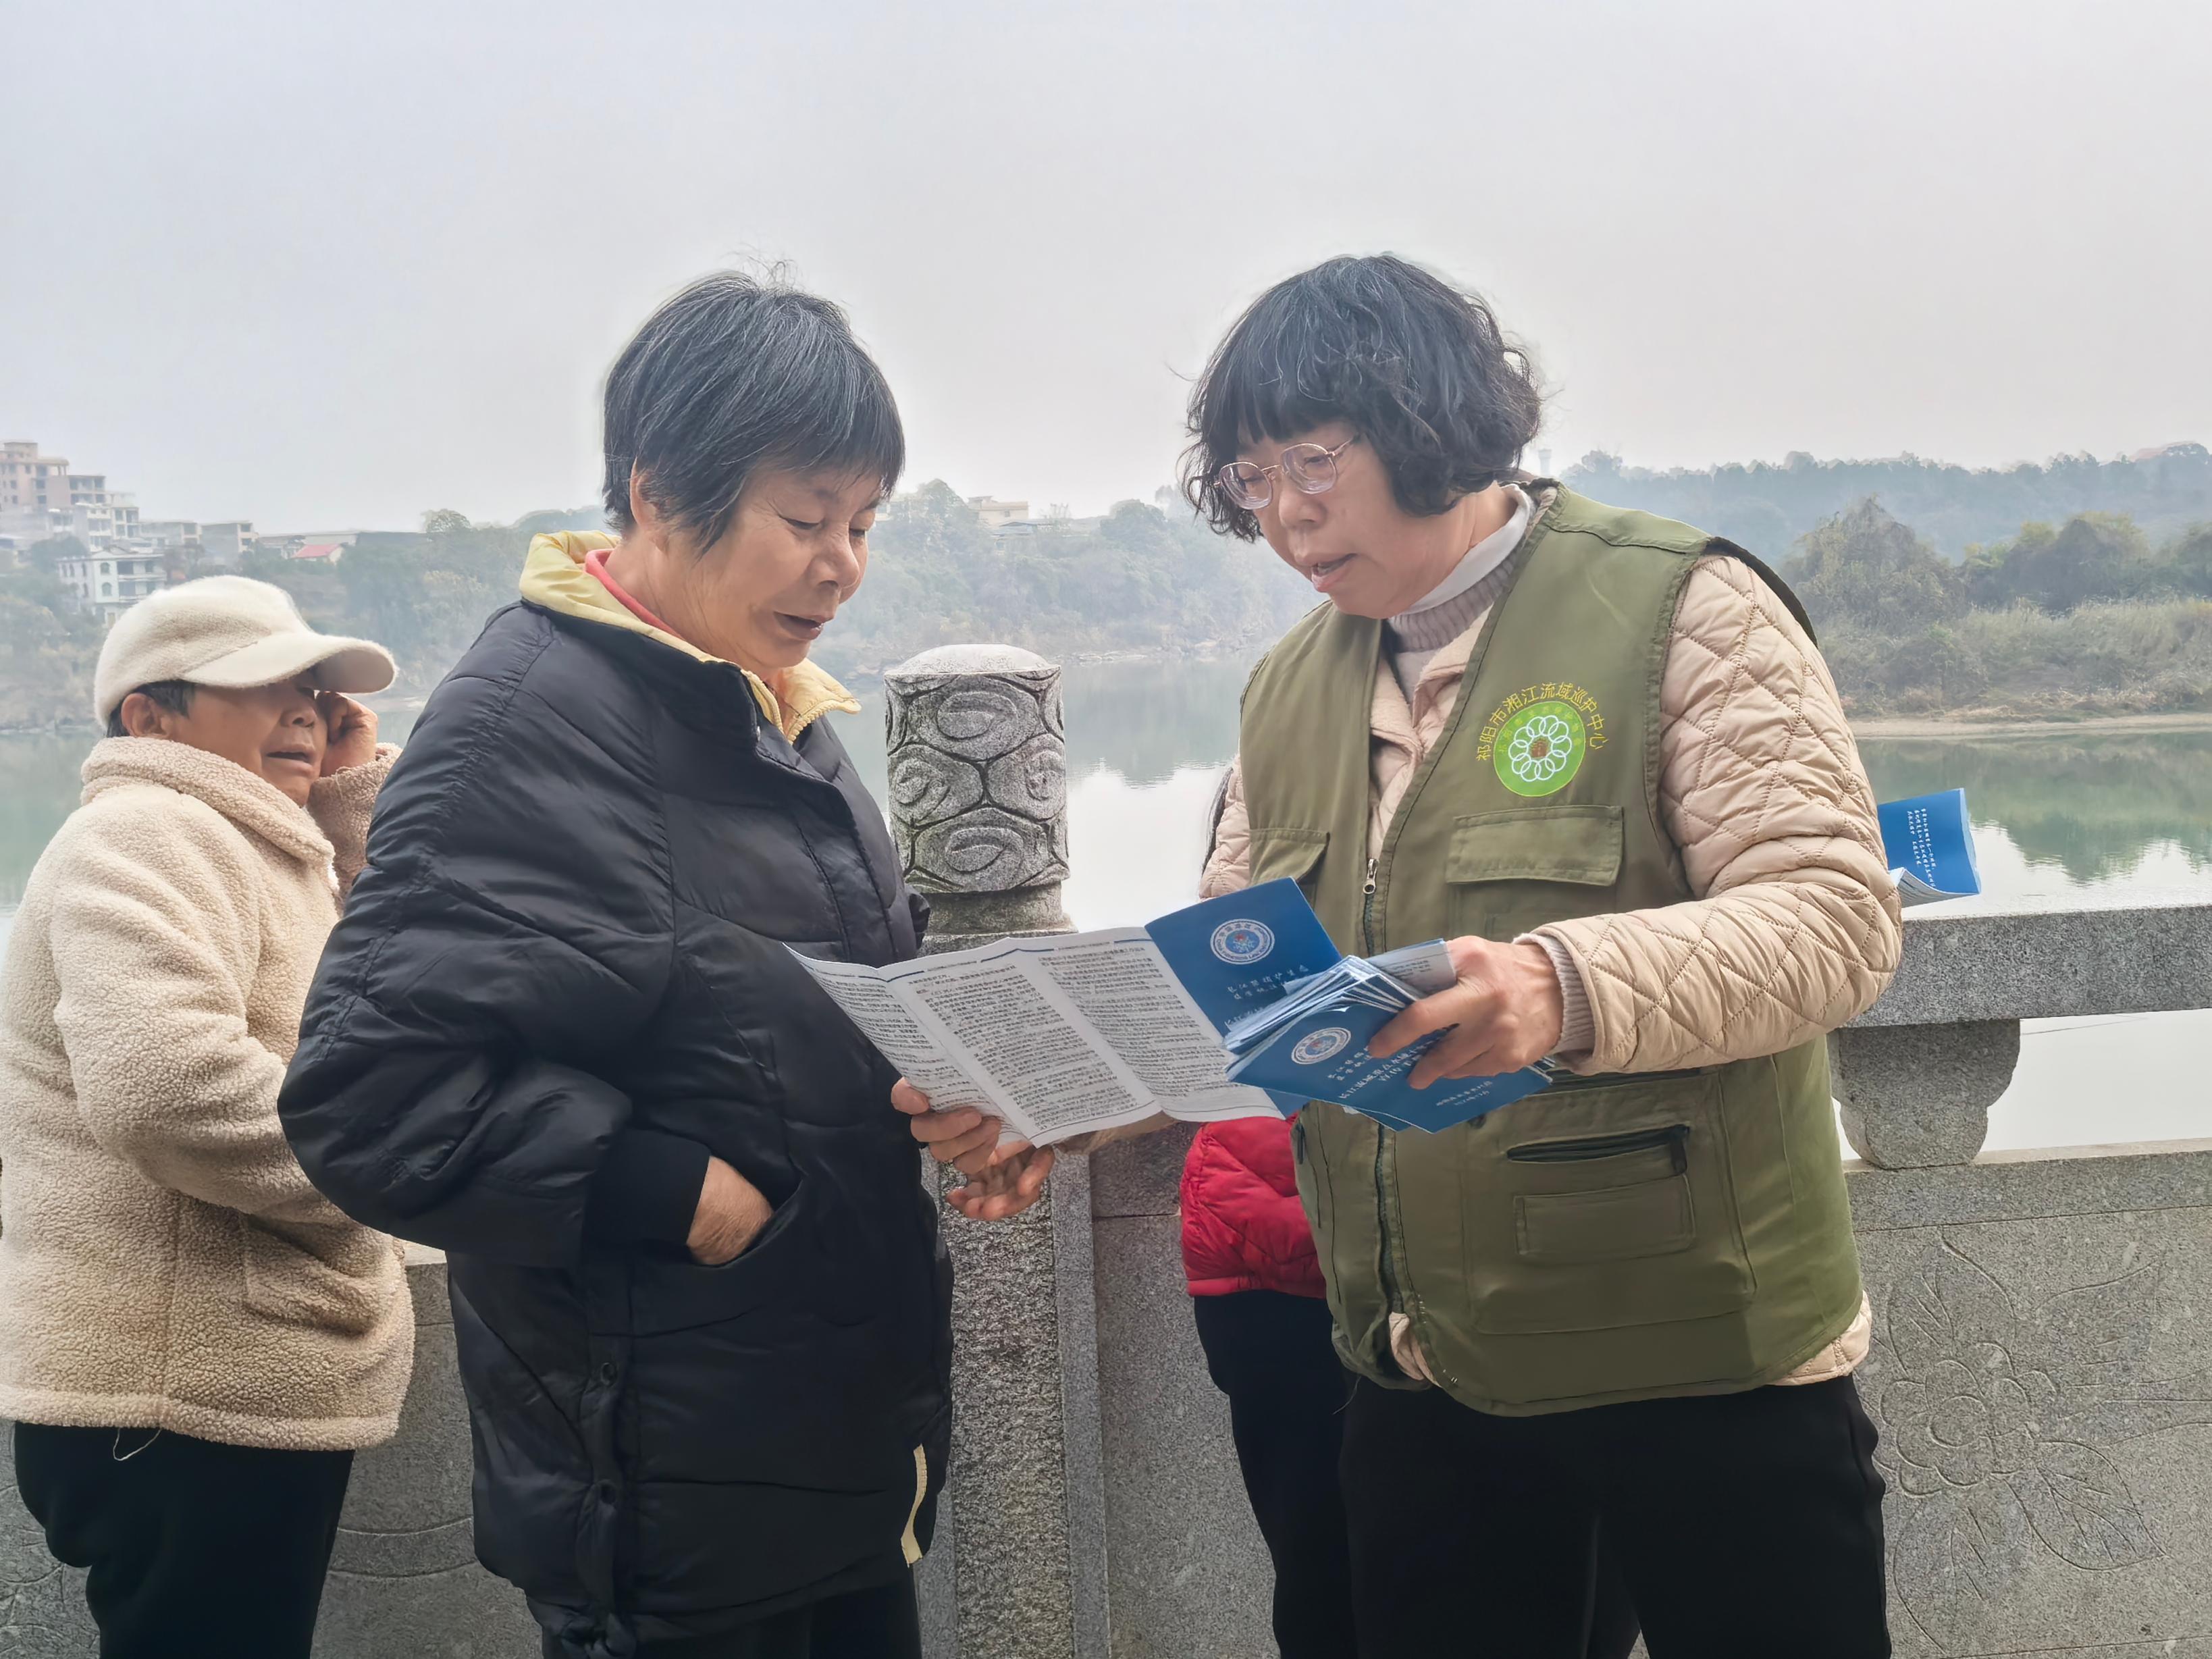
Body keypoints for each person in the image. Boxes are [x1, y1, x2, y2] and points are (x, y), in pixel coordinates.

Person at [907, 255, 1901, 1659]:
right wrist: (1055, 1107)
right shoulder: (1288, 687)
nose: (1290, 512)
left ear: (1434, 424)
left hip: (1702, 1349)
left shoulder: (1684, 608)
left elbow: (1832, 916)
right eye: (1254, 480)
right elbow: (1244, 999)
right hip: (1424, 1366)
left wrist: (1557, 985)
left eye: (1318, 458)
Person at [280, 272, 958, 1659]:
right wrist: (662, 1184)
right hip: (668, 1497)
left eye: (865, 524)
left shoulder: (754, 703)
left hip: (819, 1448)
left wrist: (969, 1088)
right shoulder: (533, 726)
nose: (842, 564)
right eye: (806, 519)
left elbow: (791, 1001)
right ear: (658, 494)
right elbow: (365, 1095)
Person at [0, 576, 411, 1659]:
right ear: (150, 715)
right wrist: (397, 1174)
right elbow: (167, 1086)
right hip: (177, 1397)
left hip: (218, 1386)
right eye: (262, 685)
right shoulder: (147, 831)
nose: (306, 709)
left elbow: (392, 994)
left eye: (315, 689)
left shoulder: (250, 846)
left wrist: (350, 799)